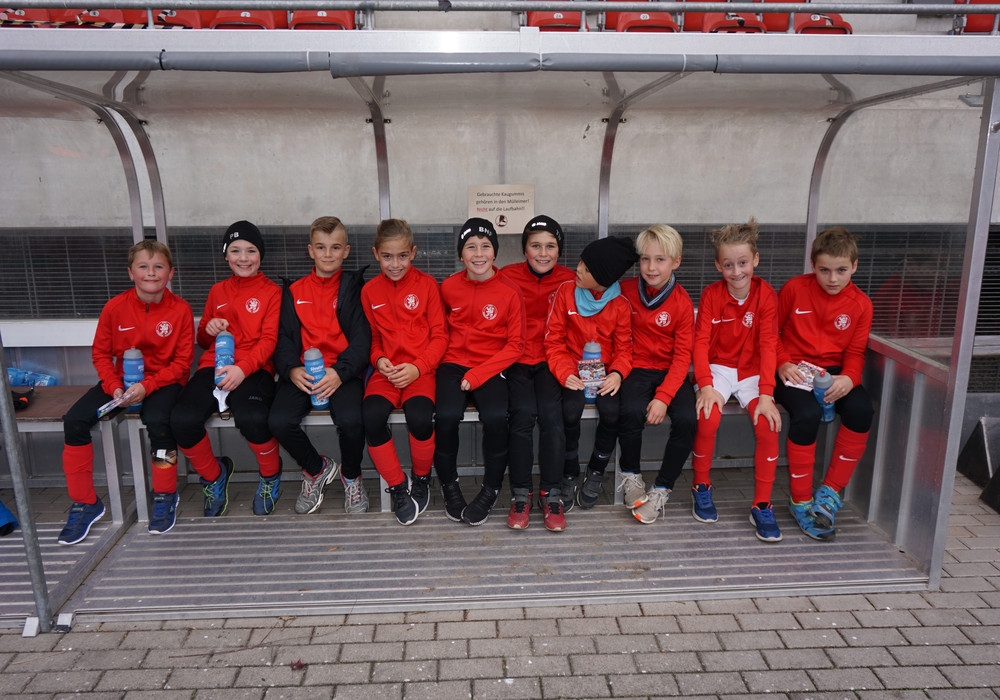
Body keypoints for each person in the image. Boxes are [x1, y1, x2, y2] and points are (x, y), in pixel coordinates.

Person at [58, 240, 194, 544]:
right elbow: (100, 354)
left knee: (159, 422)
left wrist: (148, 386)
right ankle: (85, 502)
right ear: (131, 272)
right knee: (75, 421)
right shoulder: (115, 307)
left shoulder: (180, 309)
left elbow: (182, 363)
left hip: (162, 382)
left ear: (171, 272)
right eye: (143, 267)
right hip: (120, 383)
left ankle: (165, 495)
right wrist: (113, 386)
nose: (151, 273)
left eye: (158, 267)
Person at [170, 220, 282, 518]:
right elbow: (203, 340)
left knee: (253, 418)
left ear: (261, 255)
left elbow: (269, 341)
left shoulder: (272, 292)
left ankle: (270, 475)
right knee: (181, 419)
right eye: (235, 250)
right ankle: (213, 475)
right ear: (225, 255)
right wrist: (208, 328)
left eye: (251, 250)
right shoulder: (217, 290)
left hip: (254, 370)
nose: (243, 258)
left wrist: (242, 370)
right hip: (213, 368)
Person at [774, 226, 874, 541]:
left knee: (861, 410)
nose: (832, 279)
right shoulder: (794, 289)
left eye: (841, 270)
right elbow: (771, 333)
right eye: (824, 270)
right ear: (813, 265)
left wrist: (850, 378)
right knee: (807, 415)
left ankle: (829, 492)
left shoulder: (861, 304)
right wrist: (782, 363)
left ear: (854, 266)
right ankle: (800, 500)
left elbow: (856, 353)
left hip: (835, 372)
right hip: (793, 370)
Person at [268, 216, 371, 516]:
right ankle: (316, 468)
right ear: (310, 250)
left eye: (335, 247)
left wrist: (340, 372)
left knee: (352, 420)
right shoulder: (294, 290)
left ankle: (351, 475)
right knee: (278, 421)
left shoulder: (355, 289)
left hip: (342, 372)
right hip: (303, 373)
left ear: (346, 251)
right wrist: (291, 370)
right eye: (321, 247)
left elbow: (362, 340)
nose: (328, 254)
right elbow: (283, 338)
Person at [691, 218, 783, 542]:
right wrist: (705, 385)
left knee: (768, 423)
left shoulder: (766, 295)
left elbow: (769, 345)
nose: (736, 271)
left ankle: (761, 504)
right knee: (707, 417)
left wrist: (767, 395)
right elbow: (700, 343)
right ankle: (701, 485)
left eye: (743, 263)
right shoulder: (711, 294)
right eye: (728, 265)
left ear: (755, 259)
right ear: (719, 265)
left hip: (753, 371)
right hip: (718, 368)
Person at [435, 217, 525, 526]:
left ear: (494, 252)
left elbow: (516, 345)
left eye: (485, 246)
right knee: (446, 416)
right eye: (470, 247)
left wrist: (478, 374)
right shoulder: (448, 287)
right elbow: (439, 331)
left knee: (497, 417)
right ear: (461, 254)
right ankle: (449, 486)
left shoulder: (510, 292)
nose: (478, 254)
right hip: (452, 362)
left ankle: (490, 489)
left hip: (491, 365)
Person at [362, 218, 449, 525]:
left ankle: (422, 477)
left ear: (413, 252)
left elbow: (441, 337)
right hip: (386, 374)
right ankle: (399, 486)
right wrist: (378, 361)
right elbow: (373, 339)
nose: (395, 264)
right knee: (371, 417)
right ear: (376, 254)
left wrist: (418, 367)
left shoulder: (428, 286)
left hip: (420, 372)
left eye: (402, 256)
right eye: (387, 256)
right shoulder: (370, 291)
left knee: (420, 418)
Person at [545, 235, 637, 511]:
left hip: (604, 373)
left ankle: (597, 469)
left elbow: (624, 348)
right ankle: (569, 470)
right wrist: (565, 373)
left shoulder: (620, 304)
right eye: (580, 262)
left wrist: (617, 373)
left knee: (611, 412)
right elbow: (553, 341)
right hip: (571, 369)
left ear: (602, 277)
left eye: (586, 268)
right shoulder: (565, 293)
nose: (578, 269)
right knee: (569, 411)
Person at [500, 215, 576, 531]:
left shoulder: (571, 279)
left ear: (559, 250)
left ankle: (551, 492)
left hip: (552, 359)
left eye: (550, 246)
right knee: (521, 415)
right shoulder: (506, 276)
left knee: (551, 415)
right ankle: (521, 493)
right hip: (516, 359)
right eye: (535, 246)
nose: (543, 253)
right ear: (524, 249)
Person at [617, 225, 697, 524]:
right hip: (635, 367)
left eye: (660, 260)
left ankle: (662, 488)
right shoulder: (624, 290)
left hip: (670, 371)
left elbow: (682, 357)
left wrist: (663, 397)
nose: (651, 267)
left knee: (687, 419)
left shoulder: (682, 302)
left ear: (676, 262)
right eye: (645, 259)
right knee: (630, 409)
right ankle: (631, 475)